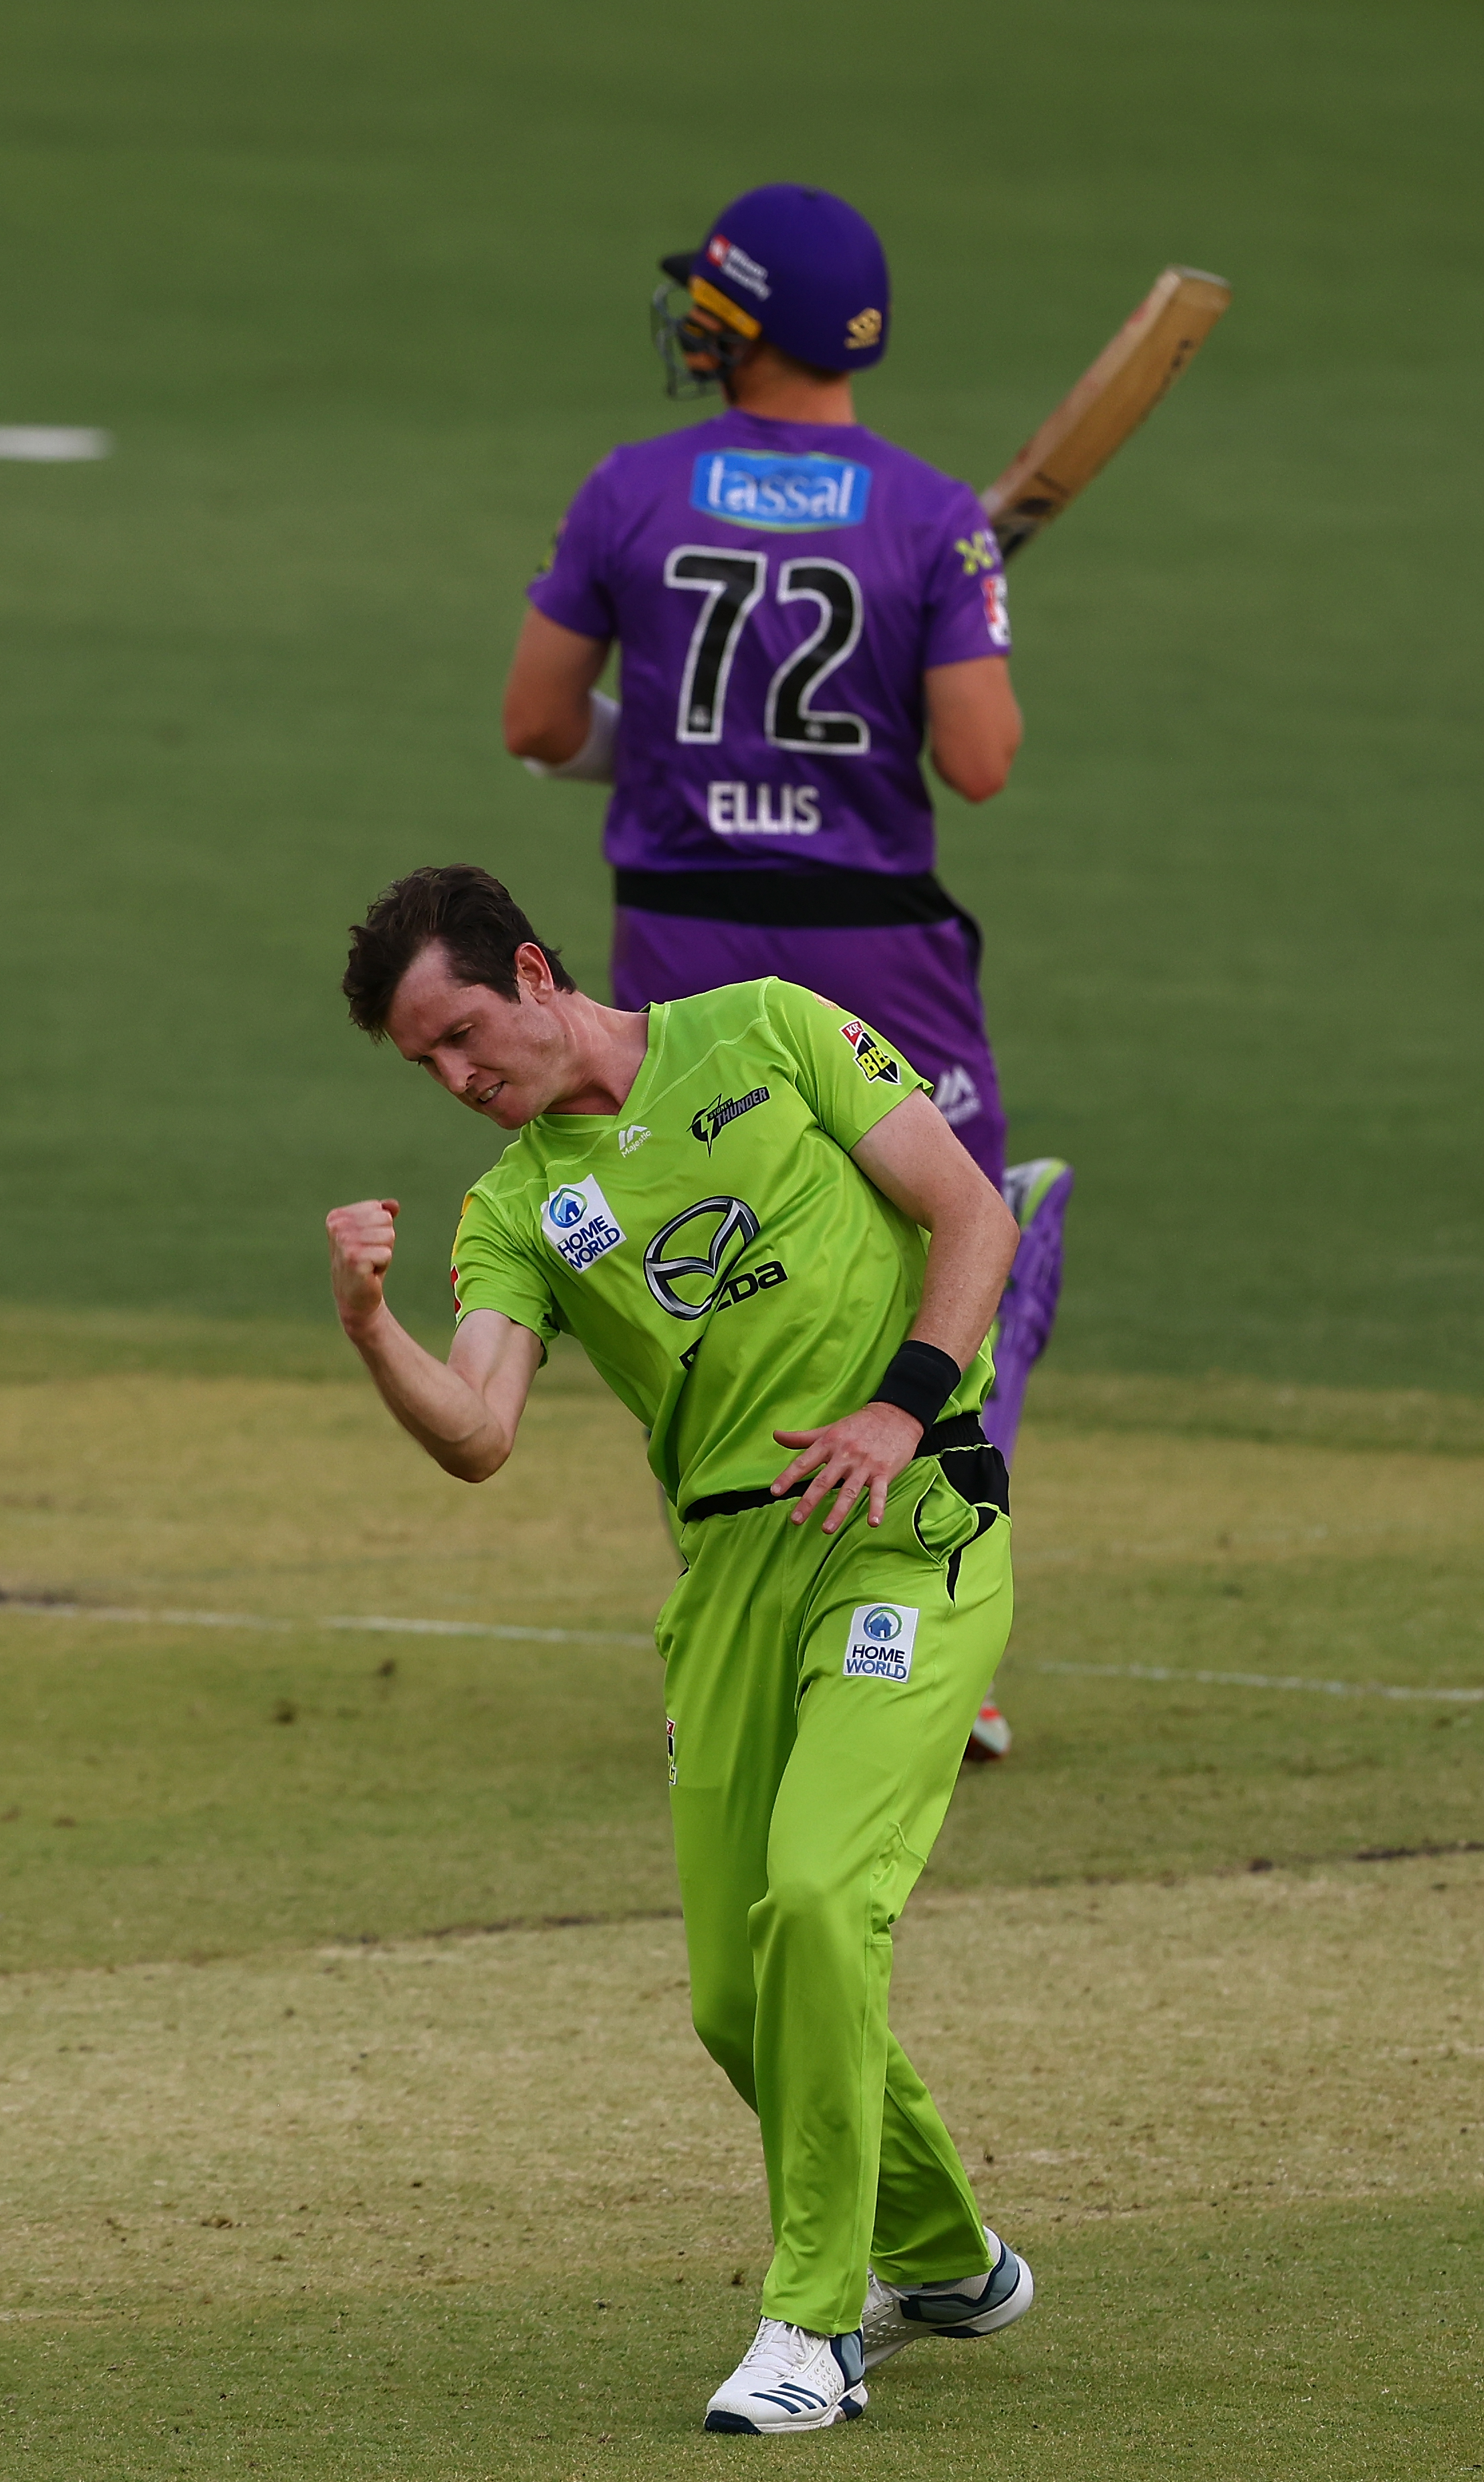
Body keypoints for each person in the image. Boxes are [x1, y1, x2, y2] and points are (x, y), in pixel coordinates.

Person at [326, 863, 1035, 2435]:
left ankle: (814, 2327)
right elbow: (481, 1435)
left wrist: (895, 1405)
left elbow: (971, 1213)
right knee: (736, 1996)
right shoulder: (518, 1208)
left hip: (908, 1524)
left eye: (460, 1035)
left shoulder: (770, 1031)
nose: (457, 1080)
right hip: (728, 1575)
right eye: (423, 1067)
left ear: (530, 969)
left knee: (819, 1899)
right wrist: (377, 1328)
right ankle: (946, 2256)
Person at [501, 182, 1073, 1761]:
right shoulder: (930, 516)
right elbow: (984, 765)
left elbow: (538, 724)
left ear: (744, 326)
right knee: (952, 1221)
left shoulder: (631, 490)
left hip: (680, 939)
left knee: (716, 1268)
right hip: (869, 934)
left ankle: (752, 1639)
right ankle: (934, 1635)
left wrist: (667, 756)